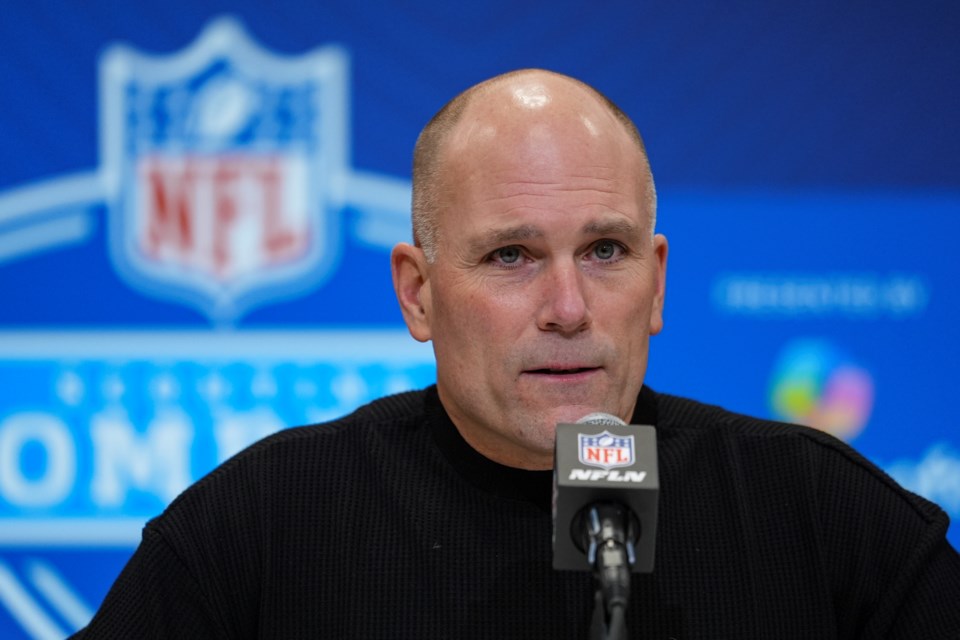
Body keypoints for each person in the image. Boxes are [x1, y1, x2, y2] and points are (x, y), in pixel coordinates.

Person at [73, 69, 960, 638]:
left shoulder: (817, 512)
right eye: (512, 257)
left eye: (605, 252)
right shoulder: (260, 527)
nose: (568, 308)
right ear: (417, 293)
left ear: (655, 284)